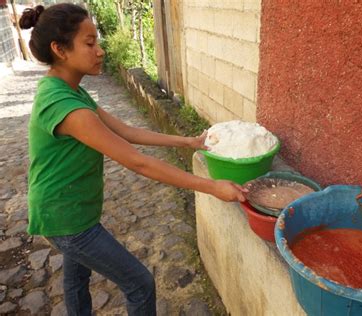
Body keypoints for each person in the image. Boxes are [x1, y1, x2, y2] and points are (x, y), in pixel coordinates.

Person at [19, 3, 246, 316]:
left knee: (76, 278)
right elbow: (138, 162)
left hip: (71, 211)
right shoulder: (66, 106)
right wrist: (211, 187)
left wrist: (188, 140)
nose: (99, 51)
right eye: (89, 43)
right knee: (140, 284)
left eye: (96, 41)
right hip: (66, 220)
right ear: (60, 49)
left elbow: (125, 130)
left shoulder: (69, 91)